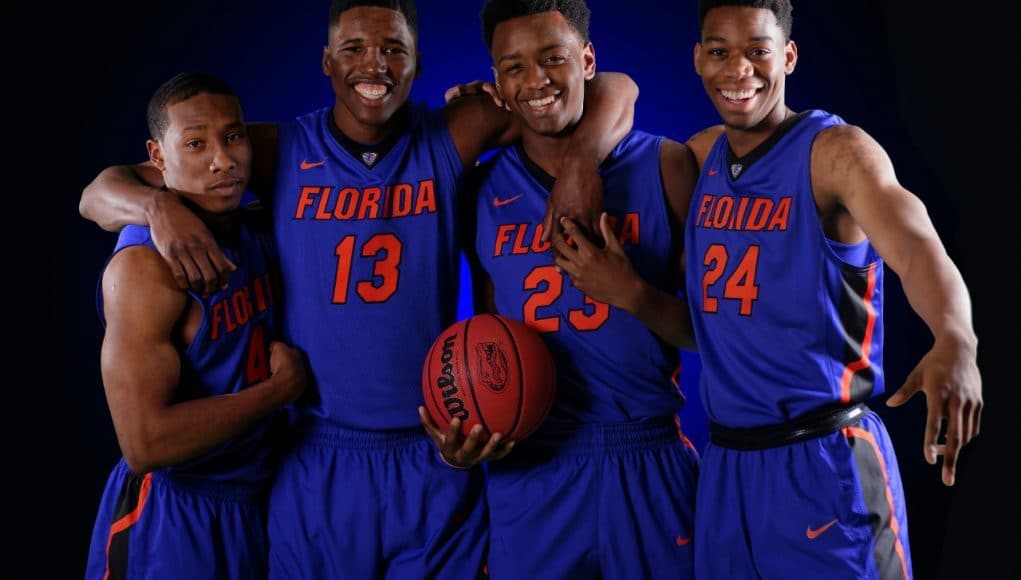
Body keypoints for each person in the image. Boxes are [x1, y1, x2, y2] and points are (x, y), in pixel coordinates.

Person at [78, 1, 639, 577]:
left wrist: (580, 165)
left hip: (433, 450)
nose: (374, 66)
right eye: (353, 49)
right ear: (326, 60)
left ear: (419, 64)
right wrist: (155, 206)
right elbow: (98, 192)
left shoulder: (455, 130)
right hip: (317, 456)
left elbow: (612, 88)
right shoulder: (274, 150)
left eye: (394, 49)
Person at [680, 1, 983, 578]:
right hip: (725, 468)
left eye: (758, 51)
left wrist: (955, 337)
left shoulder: (836, 153)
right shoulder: (701, 157)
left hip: (824, 460)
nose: (738, 70)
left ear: (788, 56)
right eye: (719, 52)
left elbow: (918, 249)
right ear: (698, 58)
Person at [430, 1, 701, 577]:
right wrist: (465, 427)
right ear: (497, 85)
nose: (537, 81)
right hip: (533, 469)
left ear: (587, 60)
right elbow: (486, 337)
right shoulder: (475, 192)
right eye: (514, 67)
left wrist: (633, 294)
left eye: (553, 58)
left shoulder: (668, 166)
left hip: (647, 456)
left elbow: (717, 338)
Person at [84, 72, 307, 579]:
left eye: (233, 136)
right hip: (173, 512)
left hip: (263, 497)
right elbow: (145, 444)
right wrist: (279, 391)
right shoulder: (142, 269)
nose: (222, 159)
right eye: (195, 143)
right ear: (157, 158)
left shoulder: (252, 221)